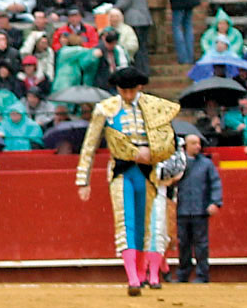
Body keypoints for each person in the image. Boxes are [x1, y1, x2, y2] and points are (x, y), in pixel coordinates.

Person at [75, 66, 181, 295]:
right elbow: (89, 145)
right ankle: (132, 278)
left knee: (144, 225)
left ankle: (141, 275)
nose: (128, 95)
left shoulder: (152, 106)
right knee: (126, 223)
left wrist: (153, 153)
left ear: (139, 87)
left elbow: (167, 140)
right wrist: (83, 180)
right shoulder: (105, 109)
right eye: (124, 91)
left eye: (132, 90)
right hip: (120, 171)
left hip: (148, 172)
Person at [171, 132, 222, 283]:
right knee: (183, 244)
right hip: (182, 209)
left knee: (201, 245)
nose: (197, 146)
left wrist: (215, 202)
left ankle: (202, 275)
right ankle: (183, 274)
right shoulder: (179, 163)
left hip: (200, 209)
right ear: (185, 146)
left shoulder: (206, 164)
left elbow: (215, 183)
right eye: (193, 143)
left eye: (198, 143)